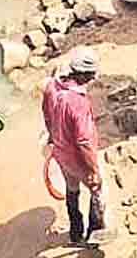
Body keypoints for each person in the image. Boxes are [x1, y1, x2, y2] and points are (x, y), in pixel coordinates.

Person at [42, 48, 104, 245]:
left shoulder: (52, 86)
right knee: (98, 190)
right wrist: (93, 170)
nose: (94, 77)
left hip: (60, 153)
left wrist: (53, 138)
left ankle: (75, 233)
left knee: (72, 189)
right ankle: (95, 234)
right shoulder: (77, 102)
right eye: (92, 74)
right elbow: (84, 141)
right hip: (78, 157)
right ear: (83, 74)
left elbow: (46, 114)